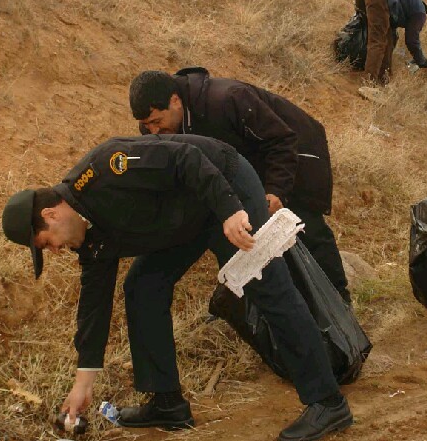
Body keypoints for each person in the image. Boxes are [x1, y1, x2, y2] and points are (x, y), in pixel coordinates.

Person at [1, 134, 353, 441]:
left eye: (47, 244)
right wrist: (83, 384)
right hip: (187, 216)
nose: (56, 251)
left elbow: (188, 157)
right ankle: (166, 403)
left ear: (50, 214)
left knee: (265, 284)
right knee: (143, 286)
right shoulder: (90, 242)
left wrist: (231, 211)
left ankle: (327, 402)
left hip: (223, 184)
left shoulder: (108, 167)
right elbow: (93, 309)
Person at [128, 68, 350, 301]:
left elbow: (281, 140)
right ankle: (254, 300)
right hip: (244, 165)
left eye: (156, 122)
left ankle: (340, 300)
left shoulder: (227, 99)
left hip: (294, 152)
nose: (152, 131)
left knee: (305, 225)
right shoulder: (154, 125)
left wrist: (276, 190)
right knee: (236, 235)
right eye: (146, 125)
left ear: (175, 101)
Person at [354, 0, 427, 85]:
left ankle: (383, 79)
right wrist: (422, 61)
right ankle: (368, 83)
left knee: (387, 38)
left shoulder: (406, 3)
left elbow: (389, 38)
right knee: (377, 39)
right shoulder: (419, 14)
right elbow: (412, 41)